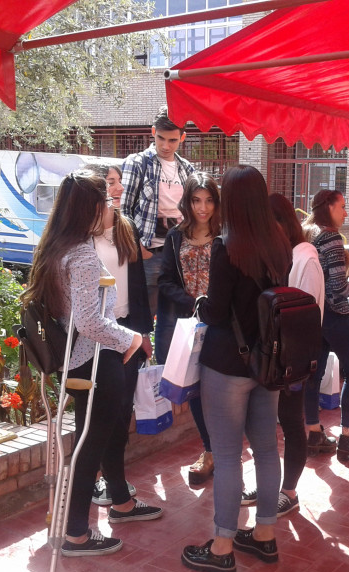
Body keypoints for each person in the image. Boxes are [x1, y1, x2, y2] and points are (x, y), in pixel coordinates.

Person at [22, 170, 161, 558]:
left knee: (86, 444)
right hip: (96, 363)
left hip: (75, 362)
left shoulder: (54, 248)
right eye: (107, 203)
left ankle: (82, 523)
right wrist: (130, 338)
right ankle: (77, 534)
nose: (112, 208)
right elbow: (89, 322)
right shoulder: (82, 255)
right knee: (89, 447)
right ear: (92, 209)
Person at [181, 165, 292, 572]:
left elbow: (216, 309)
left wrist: (202, 303)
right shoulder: (279, 244)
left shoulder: (227, 248)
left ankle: (223, 545)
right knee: (266, 448)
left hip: (228, 364)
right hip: (268, 363)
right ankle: (264, 535)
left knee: (227, 454)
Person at [83, 163, 154, 506]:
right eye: (111, 183)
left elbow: (137, 285)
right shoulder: (80, 237)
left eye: (119, 183)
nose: (119, 189)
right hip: (94, 337)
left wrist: (142, 333)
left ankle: (114, 481)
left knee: (122, 411)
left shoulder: (126, 228)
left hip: (127, 334)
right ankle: (95, 479)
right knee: (97, 414)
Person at [302, 189, 349, 463]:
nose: (346, 212)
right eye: (342, 206)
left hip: (313, 315)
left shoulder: (307, 233)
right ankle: (348, 437)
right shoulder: (331, 237)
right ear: (329, 208)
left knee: (314, 374)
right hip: (335, 315)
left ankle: (313, 431)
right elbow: (336, 286)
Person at [157, 172, 221, 485]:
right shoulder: (175, 236)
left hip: (222, 323)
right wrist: (191, 301)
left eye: (209, 200)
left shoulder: (225, 235)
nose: (203, 207)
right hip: (191, 325)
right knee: (195, 390)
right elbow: (165, 281)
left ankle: (224, 450)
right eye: (196, 200)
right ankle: (210, 451)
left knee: (220, 388)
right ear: (187, 201)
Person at [267, 192, 324, 517]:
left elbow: (306, 313)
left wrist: (294, 361)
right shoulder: (285, 254)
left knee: (291, 422)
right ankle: (272, 483)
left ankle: (289, 490)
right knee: (270, 423)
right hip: (278, 357)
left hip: (294, 360)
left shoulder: (305, 257)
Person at [120, 105, 195, 313]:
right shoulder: (137, 163)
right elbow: (123, 211)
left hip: (178, 253)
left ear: (182, 138)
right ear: (153, 132)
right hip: (148, 251)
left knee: (172, 316)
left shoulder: (187, 169)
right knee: (142, 317)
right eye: (161, 138)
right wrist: (138, 249)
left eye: (172, 140)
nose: (165, 145)